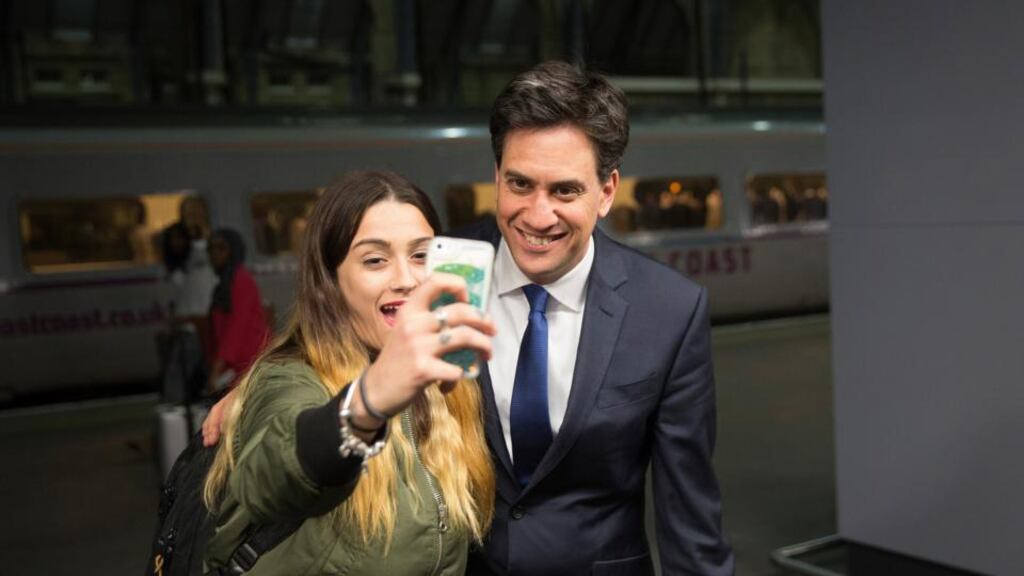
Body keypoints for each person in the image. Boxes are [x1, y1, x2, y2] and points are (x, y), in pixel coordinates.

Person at [456, 61, 734, 575]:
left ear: (606, 192)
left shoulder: (669, 311)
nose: (538, 216)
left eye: (565, 191)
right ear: (496, 176)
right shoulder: (442, 275)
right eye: (519, 184)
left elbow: (689, 518)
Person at [202, 171, 497, 575]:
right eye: (375, 260)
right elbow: (266, 482)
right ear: (330, 282)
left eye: (422, 256)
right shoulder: (289, 379)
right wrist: (365, 405)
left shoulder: (448, 385)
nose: (407, 280)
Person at [205, 228, 271, 394]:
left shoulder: (241, 280)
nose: (215, 254)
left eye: (221, 248)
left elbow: (237, 327)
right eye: (211, 249)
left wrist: (217, 367)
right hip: (235, 366)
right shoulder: (223, 285)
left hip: (248, 363)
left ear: (233, 250)